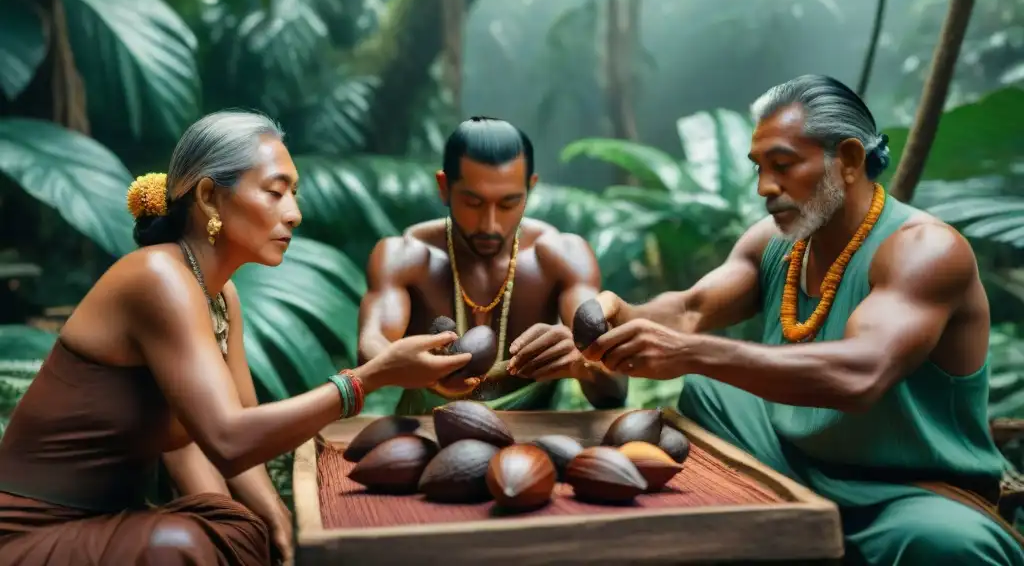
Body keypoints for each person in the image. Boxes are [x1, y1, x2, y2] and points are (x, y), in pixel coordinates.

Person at [579, 75, 1024, 565]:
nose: (765, 187)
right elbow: (690, 310)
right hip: (797, 461)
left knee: (947, 545)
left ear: (849, 161)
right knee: (707, 397)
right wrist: (605, 328)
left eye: (784, 166)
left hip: (908, 493)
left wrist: (691, 354)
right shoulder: (776, 241)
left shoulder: (925, 249)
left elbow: (860, 374)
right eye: (760, 168)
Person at [0, 110, 472, 566]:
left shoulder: (220, 295)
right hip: (34, 532)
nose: (295, 214)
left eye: (295, 194)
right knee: (180, 543)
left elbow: (225, 436)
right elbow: (229, 441)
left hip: (112, 524)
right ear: (209, 196)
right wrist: (367, 380)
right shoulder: (157, 277)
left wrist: (276, 522)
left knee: (243, 534)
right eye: (275, 192)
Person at [358, 116, 627, 415]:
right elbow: (371, 348)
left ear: (530, 188)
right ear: (444, 187)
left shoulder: (561, 256)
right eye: (473, 203)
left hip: (535, 450)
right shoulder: (405, 256)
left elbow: (614, 389)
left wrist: (585, 362)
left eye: (509, 203)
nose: (491, 224)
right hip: (424, 442)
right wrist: (411, 366)